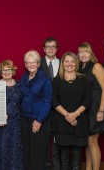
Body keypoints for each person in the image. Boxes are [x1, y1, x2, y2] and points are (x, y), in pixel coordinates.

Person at [52, 52, 91, 170]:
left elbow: (87, 100)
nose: (70, 64)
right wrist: (68, 116)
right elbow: (54, 101)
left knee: (77, 158)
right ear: (62, 64)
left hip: (80, 123)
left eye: (72, 61)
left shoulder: (83, 79)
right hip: (61, 123)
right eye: (67, 61)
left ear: (76, 63)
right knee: (64, 159)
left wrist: (75, 115)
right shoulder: (57, 80)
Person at [77, 42, 104, 170]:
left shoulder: (97, 66)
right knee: (87, 142)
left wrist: (101, 110)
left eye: (86, 52)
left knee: (92, 141)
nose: (83, 54)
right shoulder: (79, 69)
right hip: (85, 108)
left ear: (91, 53)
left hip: (96, 108)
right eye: (81, 52)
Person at [20, 50, 52, 170]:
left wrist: (39, 120)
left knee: (37, 151)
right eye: (29, 62)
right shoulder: (23, 78)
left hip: (38, 118)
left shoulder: (45, 78)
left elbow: (47, 101)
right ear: (25, 64)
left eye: (34, 62)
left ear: (38, 64)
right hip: (24, 118)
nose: (31, 64)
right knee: (26, 149)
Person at [0, 60, 23, 170]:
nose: (6, 72)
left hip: (16, 124)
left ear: (13, 70)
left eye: (8, 69)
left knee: (14, 150)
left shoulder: (20, 85)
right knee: (1, 149)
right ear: (0, 72)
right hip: (0, 124)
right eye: (3, 70)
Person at [40, 37, 61, 170]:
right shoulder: (37, 63)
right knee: (45, 140)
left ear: (57, 49)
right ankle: (47, 167)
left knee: (59, 140)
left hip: (61, 109)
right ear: (44, 49)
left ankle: (57, 167)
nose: (51, 48)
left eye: (53, 46)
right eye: (48, 46)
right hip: (43, 107)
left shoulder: (64, 62)